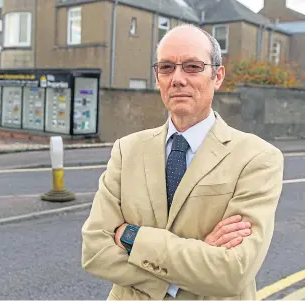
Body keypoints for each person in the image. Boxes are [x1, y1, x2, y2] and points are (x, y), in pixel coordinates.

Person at [81, 24, 284, 300]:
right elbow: (94, 250)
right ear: (157, 77)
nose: (177, 78)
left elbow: (233, 271)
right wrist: (181, 275)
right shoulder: (126, 150)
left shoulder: (258, 158)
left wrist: (131, 238)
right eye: (166, 67)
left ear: (218, 76)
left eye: (192, 66)